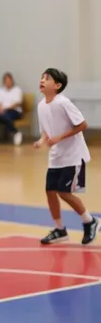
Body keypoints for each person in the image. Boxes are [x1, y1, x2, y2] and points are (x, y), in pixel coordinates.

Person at [34, 68, 99, 246]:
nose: (42, 80)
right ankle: (60, 229)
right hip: (56, 157)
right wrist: (41, 140)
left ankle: (89, 221)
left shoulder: (63, 103)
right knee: (50, 191)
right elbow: (46, 131)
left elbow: (82, 125)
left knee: (64, 192)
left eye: (46, 78)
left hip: (73, 155)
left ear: (57, 85)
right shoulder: (41, 106)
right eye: (41, 77)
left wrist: (59, 138)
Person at [0, 72, 23, 145]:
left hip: (14, 111)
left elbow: (17, 103)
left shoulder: (17, 90)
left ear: (12, 81)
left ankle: (15, 132)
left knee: (2, 115)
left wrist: (5, 108)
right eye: (6, 81)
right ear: (4, 82)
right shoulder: (1, 91)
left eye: (9, 80)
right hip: (3, 111)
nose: (8, 82)